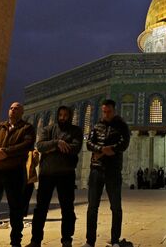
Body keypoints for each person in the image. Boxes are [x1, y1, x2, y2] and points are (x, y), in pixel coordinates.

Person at [0, 102, 36, 247]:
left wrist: (5, 152)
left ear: (22, 112)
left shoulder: (27, 128)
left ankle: (15, 242)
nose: (13, 110)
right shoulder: (0, 127)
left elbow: (26, 145)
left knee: (16, 209)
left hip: (14, 172)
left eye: (16, 108)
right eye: (11, 108)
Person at [28, 106, 82, 247]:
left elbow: (75, 148)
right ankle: (35, 240)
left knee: (67, 209)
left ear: (69, 116)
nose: (63, 117)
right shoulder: (48, 129)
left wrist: (51, 148)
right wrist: (58, 143)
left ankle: (66, 240)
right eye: (61, 115)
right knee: (41, 208)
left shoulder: (76, 131)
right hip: (47, 174)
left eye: (65, 115)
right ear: (57, 115)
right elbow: (40, 146)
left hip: (66, 174)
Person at [83, 99, 130, 247]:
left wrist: (112, 149)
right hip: (96, 169)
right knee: (92, 207)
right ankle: (90, 241)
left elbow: (124, 143)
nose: (106, 114)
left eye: (109, 111)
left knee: (115, 206)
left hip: (113, 170)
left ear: (114, 110)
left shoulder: (121, 126)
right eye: (104, 111)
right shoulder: (97, 125)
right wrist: (102, 150)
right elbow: (89, 143)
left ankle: (115, 240)